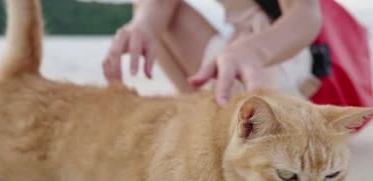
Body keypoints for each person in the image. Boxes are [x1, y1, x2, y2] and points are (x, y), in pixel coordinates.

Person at [103, 0, 322, 105]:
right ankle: (193, 104)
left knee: (254, 123)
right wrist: (142, 26)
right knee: (144, 9)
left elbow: (306, 14)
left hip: (278, 49)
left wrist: (255, 50)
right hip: (233, 47)